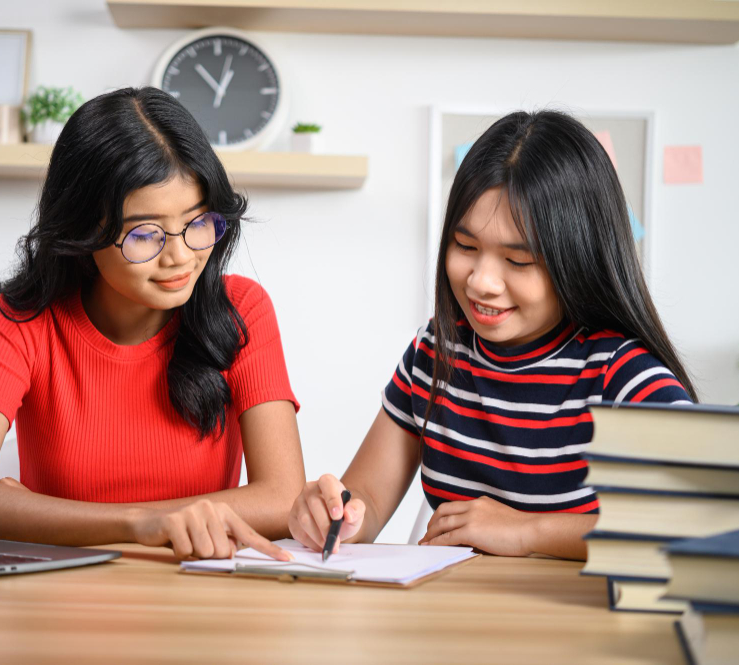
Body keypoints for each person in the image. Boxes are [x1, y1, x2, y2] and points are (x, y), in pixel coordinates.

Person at [289, 110, 696, 561]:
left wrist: (527, 532)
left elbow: (697, 519)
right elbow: (367, 495)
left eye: (518, 260)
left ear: (578, 259)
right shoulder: (435, 353)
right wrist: (334, 515)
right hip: (454, 619)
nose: (482, 281)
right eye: (466, 246)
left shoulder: (622, 375)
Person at [0, 87, 303, 562]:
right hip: (59, 598)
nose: (180, 256)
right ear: (83, 231)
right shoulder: (25, 318)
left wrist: (41, 513)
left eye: (198, 223)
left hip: (197, 599)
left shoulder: (241, 309)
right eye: (145, 234)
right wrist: (139, 523)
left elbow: (281, 498)